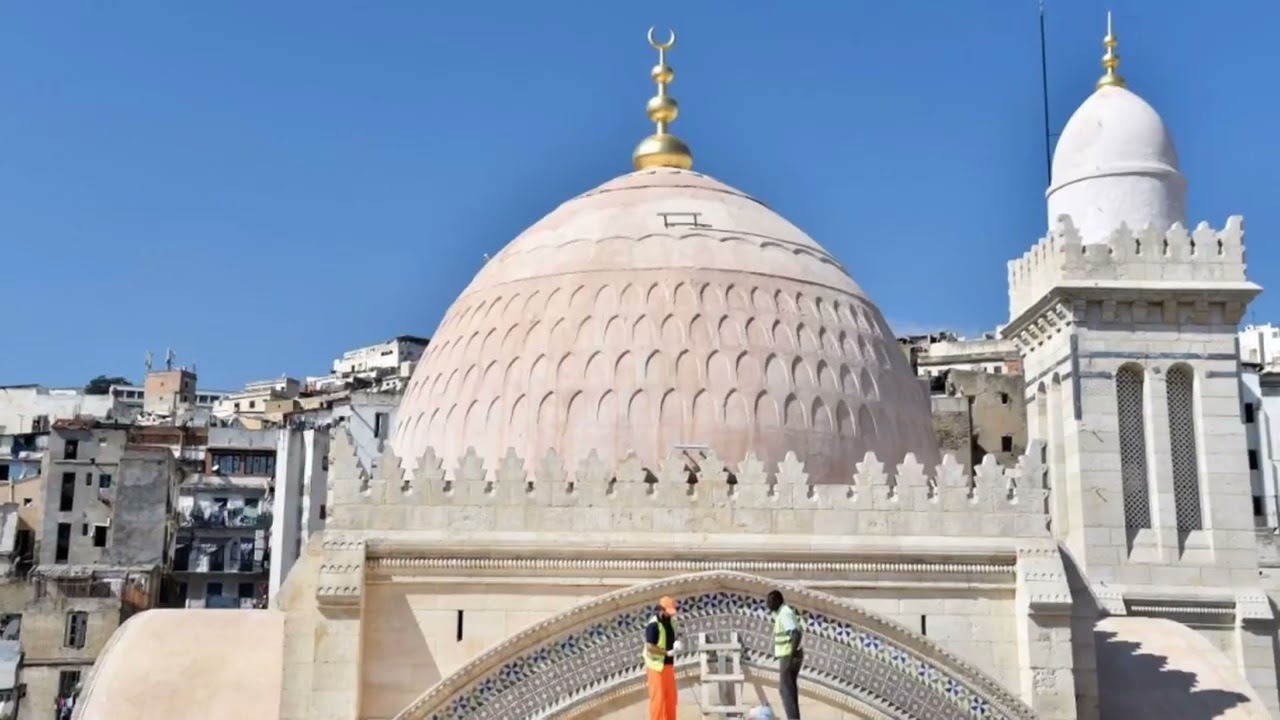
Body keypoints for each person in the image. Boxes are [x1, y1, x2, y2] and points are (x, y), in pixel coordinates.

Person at [642, 596, 682, 720]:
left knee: (671, 699)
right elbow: (650, 647)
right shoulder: (653, 625)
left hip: (668, 666)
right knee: (658, 701)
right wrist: (666, 653)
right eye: (667, 612)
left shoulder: (672, 623)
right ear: (661, 609)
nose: (670, 615)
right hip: (656, 668)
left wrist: (678, 643)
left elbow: (676, 636)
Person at [767, 589, 803, 720]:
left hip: (789, 656)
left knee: (785, 690)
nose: (768, 604)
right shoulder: (782, 613)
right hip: (788, 655)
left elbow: (796, 634)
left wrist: (790, 656)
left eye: (770, 601)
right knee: (789, 690)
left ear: (778, 600)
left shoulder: (784, 613)